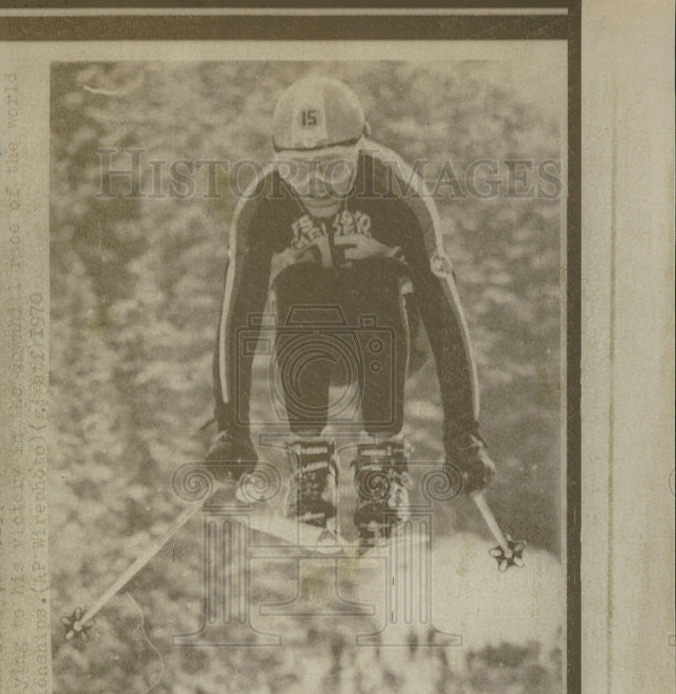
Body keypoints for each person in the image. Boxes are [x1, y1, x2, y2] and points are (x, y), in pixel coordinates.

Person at [204, 75, 495, 544]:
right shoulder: (262, 205)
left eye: (334, 170)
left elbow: (445, 316)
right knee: (297, 284)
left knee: (375, 278)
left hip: (394, 335)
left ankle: (383, 464)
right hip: (316, 345)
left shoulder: (395, 189)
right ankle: (311, 468)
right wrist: (231, 429)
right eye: (299, 173)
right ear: (279, 167)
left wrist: (464, 433)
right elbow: (236, 320)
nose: (317, 188)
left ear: (361, 152)